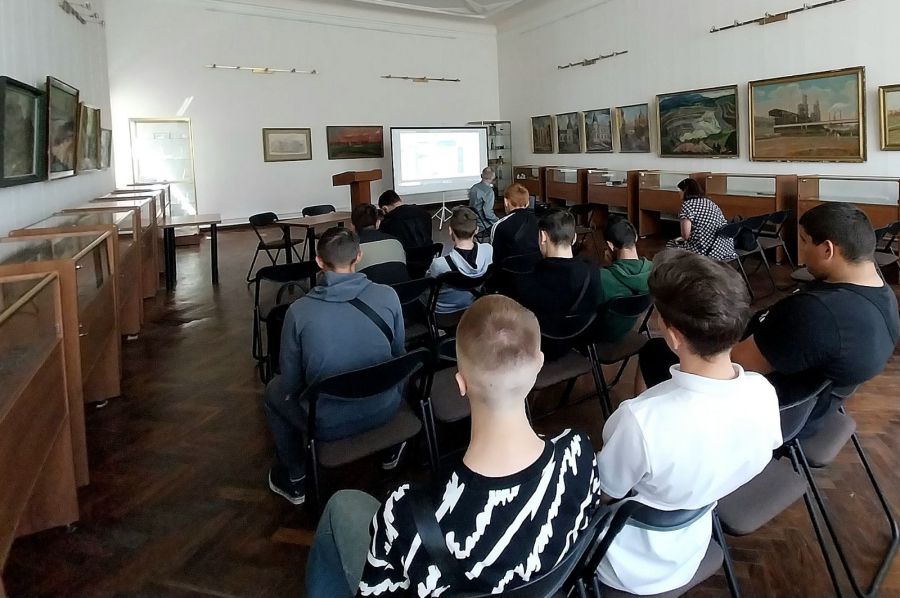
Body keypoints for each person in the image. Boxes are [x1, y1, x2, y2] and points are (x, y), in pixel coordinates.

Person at [305, 295, 602, 597]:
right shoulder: (579, 455)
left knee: (341, 504)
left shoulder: (406, 514)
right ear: (539, 364)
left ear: (460, 384)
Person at [596, 249, 782, 595]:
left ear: (674, 336)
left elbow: (605, 492)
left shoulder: (641, 419)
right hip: (693, 545)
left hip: (626, 561)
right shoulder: (762, 392)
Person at [639, 203, 900, 426]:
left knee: (652, 351)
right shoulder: (883, 296)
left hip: (768, 414)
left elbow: (733, 363)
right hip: (809, 406)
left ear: (827, 250)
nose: (801, 250)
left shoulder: (817, 314)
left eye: (804, 241)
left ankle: (645, 424)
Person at [263, 227, 406, 506]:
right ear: (359, 256)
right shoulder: (388, 295)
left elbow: (291, 383)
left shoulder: (299, 311)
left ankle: (295, 478)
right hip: (387, 407)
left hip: (328, 423)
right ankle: (390, 448)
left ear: (319, 261)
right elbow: (398, 353)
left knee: (273, 391)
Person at [426, 206, 493, 313]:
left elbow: (430, 285)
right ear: (476, 230)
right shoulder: (488, 250)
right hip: (475, 305)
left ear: (450, 230)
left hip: (445, 311)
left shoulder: (439, 264)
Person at [599, 216, 653, 340]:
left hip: (603, 335)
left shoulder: (603, 277)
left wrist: (611, 265)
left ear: (610, 245)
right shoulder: (653, 271)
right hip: (630, 332)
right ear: (636, 237)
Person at [667, 178, 735, 261]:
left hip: (707, 251)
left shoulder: (687, 205)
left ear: (685, 191)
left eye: (680, 191)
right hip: (726, 248)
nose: (679, 193)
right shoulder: (709, 202)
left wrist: (680, 238)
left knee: (671, 245)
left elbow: (685, 236)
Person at [351, 203, 409, 285]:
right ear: (378, 223)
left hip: (371, 292)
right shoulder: (396, 242)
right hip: (405, 292)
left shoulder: (351, 249)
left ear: (352, 226)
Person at [491, 183, 540, 266]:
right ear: (528, 202)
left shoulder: (499, 225)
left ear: (506, 201)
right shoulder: (540, 222)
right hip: (536, 270)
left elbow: (495, 258)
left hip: (508, 271)